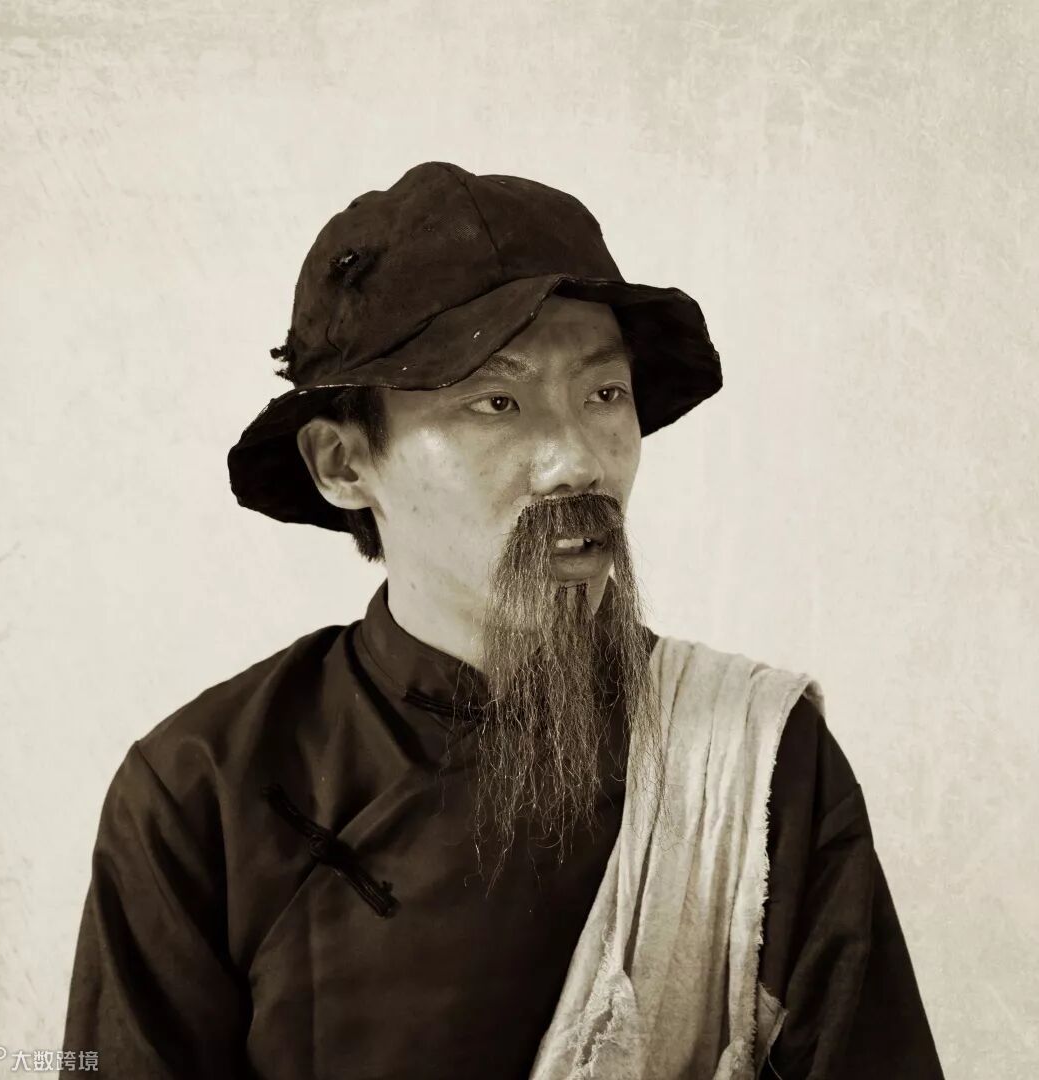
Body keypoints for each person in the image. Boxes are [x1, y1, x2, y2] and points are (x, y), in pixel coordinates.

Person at [62, 162, 943, 1079]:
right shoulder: (203, 788)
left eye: (604, 395)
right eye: (497, 402)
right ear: (343, 463)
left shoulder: (753, 761)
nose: (577, 463)